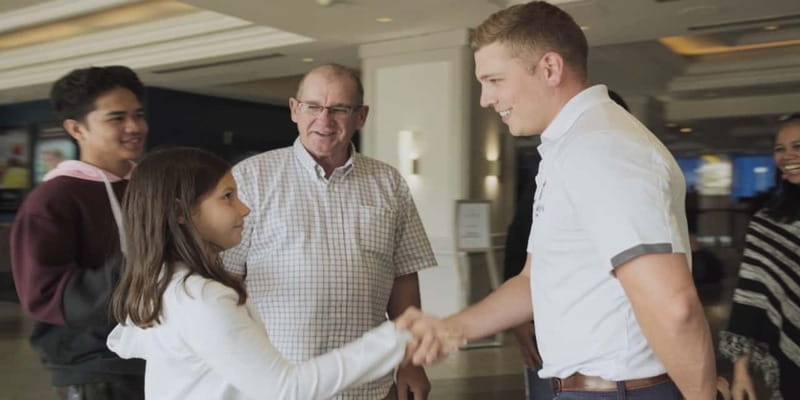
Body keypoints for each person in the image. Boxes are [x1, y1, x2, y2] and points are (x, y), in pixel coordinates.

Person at [412, 2, 720, 399]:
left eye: (494, 80)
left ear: (550, 69)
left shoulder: (602, 149)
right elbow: (532, 280)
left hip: (619, 391)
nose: (486, 99)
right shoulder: (568, 149)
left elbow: (673, 304)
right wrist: (451, 328)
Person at [106, 147, 458, 400]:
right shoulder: (202, 298)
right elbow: (286, 389)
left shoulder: (165, 283)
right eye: (227, 197)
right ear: (182, 213)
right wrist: (396, 338)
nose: (244, 208)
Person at [222, 63, 437, 400]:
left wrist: (411, 360)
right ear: (295, 109)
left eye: (339, 109)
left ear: (361, 116)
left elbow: (404, 276)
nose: (324, 120)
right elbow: (226, 279)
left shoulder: (389, 183)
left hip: (368, 385)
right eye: (313, 107)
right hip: (277, 382)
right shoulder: (250, 179)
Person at [10, 66, 147, 398]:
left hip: (153, 355)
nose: (134, 127)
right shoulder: (53, 199)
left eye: (138, 115)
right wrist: (146, 268)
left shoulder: (148, 184)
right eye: (116, 118)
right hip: (96, 369)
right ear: (76, 128)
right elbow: (46, 295)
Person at [504, 90, 631, 400]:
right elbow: (520, 251)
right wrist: (518, 320)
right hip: (554, 338)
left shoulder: (630, 183)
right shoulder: (550, 176)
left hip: (617, 360)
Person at [719, 113, 800, 400]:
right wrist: (740, 371)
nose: (787, 155)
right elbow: (749, 299)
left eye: (797, 146)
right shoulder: (768, 223)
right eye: (780, 148)